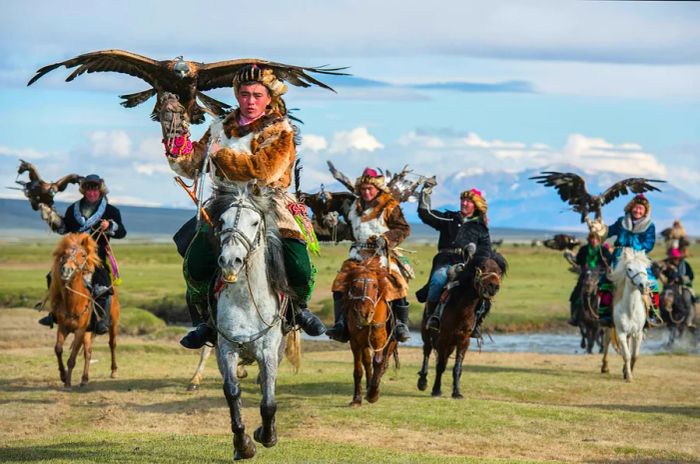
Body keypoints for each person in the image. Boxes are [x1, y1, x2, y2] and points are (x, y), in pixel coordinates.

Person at [161, 65, 325, 349]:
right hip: (225, 200)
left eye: (257, 95)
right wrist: (177, 144)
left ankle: (299, 309)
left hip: (269, 201)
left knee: (298, 261)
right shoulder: (218, 127)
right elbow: (191, 167)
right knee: (195, 258)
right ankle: (204, 321)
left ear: (269, 98)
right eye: (245, 94)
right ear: (237, 95)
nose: (250, 101)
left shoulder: (280, 131)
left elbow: (263, 171)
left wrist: (221, 155)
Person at [326, 168, 412, 343]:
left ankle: (401, 325)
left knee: (396, 283)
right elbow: (350, 232)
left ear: (377, 189)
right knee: (339, 284)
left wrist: (386, 239)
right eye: (363, 189)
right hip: (357, 256)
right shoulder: (353, 207)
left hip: (381, 255)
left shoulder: (390, 206)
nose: (366, 192)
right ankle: (341, 324)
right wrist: (334, 225)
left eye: (369, 189)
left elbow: (404, 229)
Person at [38, 174, 126, 334]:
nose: (92, 193)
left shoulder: (111, 211)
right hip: (73, 256)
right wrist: (52, 218)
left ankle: (100, 320)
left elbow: (122, 232)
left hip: (96, 257)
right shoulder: (73, 209)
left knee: (103, 286)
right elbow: (64, 229)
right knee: (52, 276)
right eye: (88, 189)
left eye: (95, 190)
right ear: (83, 191)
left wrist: (110, 225)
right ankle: (54, 314)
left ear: (100, 191)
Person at [415, 183, 491, 337]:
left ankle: (476, 323)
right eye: (462, 200)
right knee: (438, 280)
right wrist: (425, 194)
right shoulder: (449, 218)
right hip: (446, 260)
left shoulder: (480, 227)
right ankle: (432, 316)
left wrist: (474, 252)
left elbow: (486, 250)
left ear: (475, 205)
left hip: (468, 265)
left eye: (468, 201)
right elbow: (426, 214)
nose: (464, 203)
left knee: (483, 291)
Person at [597, 194, 660, 327]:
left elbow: (649, 243)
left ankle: (653, 313)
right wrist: (599, 228)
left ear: (645, 211)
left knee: (652, 283)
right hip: (620, 256)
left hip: (639, 256)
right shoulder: (621, 221)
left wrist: (634, 247)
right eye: (636, 208)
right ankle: (604, 314)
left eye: (641, 209)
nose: (638, 211)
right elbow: (609, 232)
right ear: (631, 208)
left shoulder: (650, 226)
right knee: (607, 281)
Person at [567, 232, 612, 326]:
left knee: (608, 294)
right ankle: (574, 316)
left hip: (600, 276)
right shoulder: (584, 249)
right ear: (589, 239)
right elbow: (579, 261)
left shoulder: (603, 250)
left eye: (596, 239)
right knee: (575, 294)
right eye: (592, 238)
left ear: (598, 240)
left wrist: (605, 265)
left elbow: (609, 262)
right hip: (585, 275)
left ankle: (608, 316)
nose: (594, 240)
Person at [658, 247, 696, 328]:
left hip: (683, 285)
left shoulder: (685, 265)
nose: (675, 260)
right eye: (673, 258)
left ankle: (688, 320)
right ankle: (662, 317)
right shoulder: (667, 264)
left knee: (686, 298)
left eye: (676, 258)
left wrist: (682, 279)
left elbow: (691, 276)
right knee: (661, 299)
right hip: (670, 286)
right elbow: (660, 271)